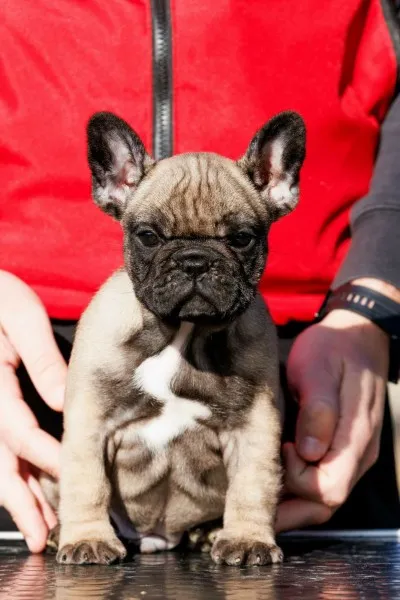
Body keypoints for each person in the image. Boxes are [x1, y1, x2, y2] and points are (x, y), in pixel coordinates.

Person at [1, 0, 400, 554]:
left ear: (278, 188)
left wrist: (374, 289)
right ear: (114, 188)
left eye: (236, 240)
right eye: (153, 238)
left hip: (315, 353)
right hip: (32, 362)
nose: (193, 263)